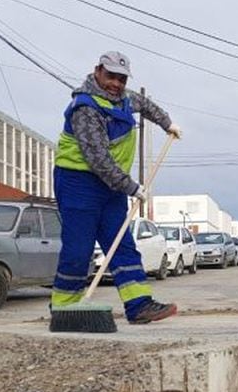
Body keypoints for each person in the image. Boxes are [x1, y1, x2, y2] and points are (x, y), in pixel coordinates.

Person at [51, 51, 183, 324]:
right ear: (97, 71)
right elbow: (97, 159)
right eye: (111, 76)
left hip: (110, 186)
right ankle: (64, 307)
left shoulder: (125, 99)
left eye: (121, 79)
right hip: (79, 181)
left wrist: (167, 123)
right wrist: (131, 187)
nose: (116, 83)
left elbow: (146, 105)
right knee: (79, 247)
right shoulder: (85, 108)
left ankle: (139, 305)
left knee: (122, 243)